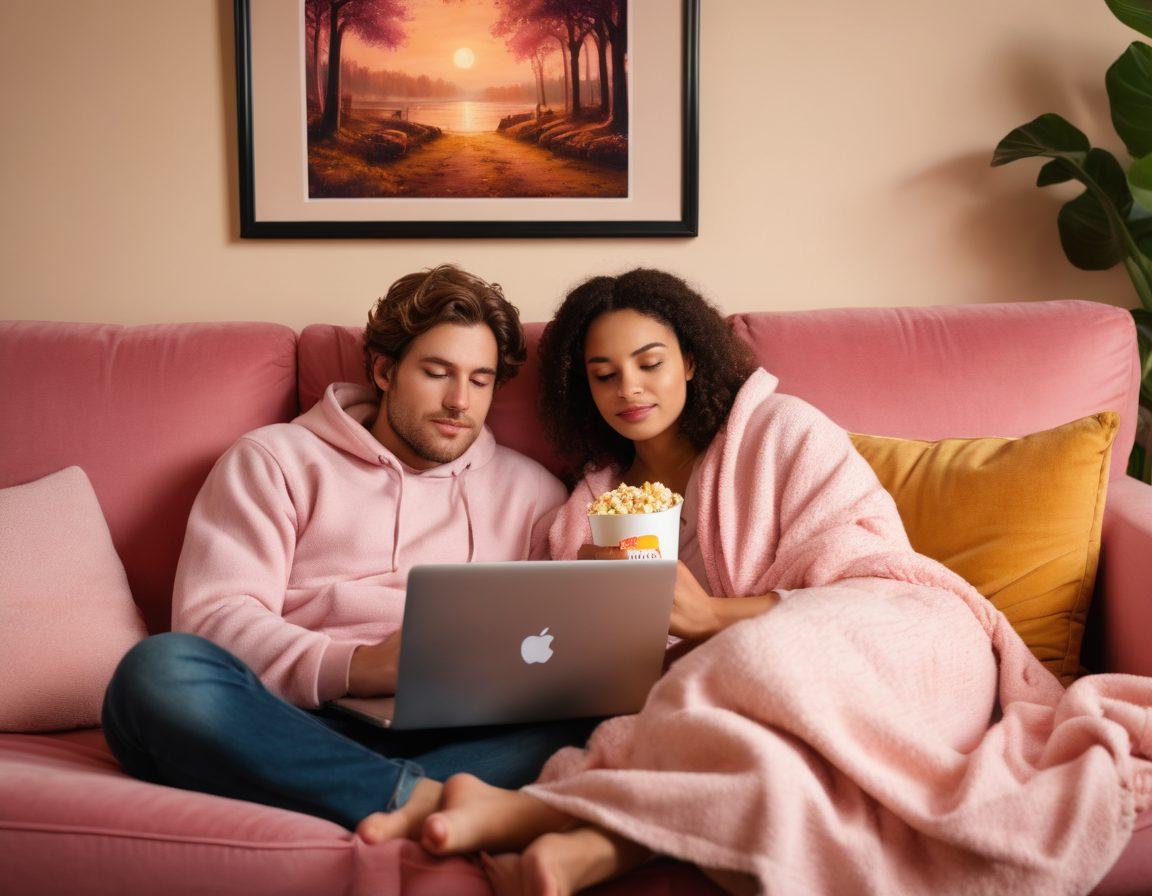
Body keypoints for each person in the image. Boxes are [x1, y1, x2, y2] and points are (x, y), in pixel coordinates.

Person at [352, 269, 1152, 896]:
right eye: (603, 374)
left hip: (908, 640)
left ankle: (533, 809)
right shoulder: (587, 512)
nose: (628, 387)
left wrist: (715, 615)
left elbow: (875, 563)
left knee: (749, 664)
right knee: (753, 733)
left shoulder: (778, 432)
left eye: (649, 362)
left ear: (691, 359)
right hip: (749, 697)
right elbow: (595, 674)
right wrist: (592, 608)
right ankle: (584, 852)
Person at [100, 264, 596, 844]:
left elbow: (558, 647)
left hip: (465, 732)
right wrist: (361, 666)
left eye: (480, 380)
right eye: (437, 373)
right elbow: (213, 621)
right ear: (385, 371)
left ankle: (358, 792)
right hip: (292, 718)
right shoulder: (276, 460)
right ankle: (424, 801)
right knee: (156, 674)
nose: (460, 401)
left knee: (602, 716)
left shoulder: (532, 492)